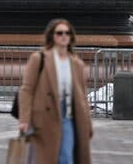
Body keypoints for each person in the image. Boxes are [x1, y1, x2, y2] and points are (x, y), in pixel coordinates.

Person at [18, 18, 92, 164]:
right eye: (59, 33)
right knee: (45, 159)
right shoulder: (39, 59)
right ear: (52, 36)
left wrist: (88, 123)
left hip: (68, 118)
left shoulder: (76, 63)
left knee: (66, 158)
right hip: (44, 119)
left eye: (67, 33)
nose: (64, 36)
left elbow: (82, 96)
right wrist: (25, 119)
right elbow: (27, 90)